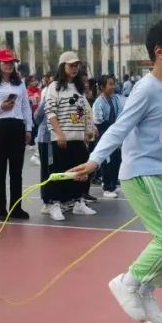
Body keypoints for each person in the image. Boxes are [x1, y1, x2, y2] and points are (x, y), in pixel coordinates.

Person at [67, 19, 162, 323]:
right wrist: (96, 160)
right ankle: (127, 281)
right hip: (141, 173)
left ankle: (146, 289)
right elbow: (119, 128)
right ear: (160, 52)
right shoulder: (145, 89)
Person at [42, 51, 96, 221]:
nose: (75, 68)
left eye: (76, 65)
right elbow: (50, 111)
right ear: (62, 66)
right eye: (71, 65)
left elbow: (86, 111)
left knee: (80, 172)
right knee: (57, 172)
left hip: (78, 139)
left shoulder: (79, 88)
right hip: (61, 139)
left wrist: (89, 129)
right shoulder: (54, 86)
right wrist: (59, 134)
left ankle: (79, 201)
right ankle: (54, 204)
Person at [0, 48, 33, 220]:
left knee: (16, 171)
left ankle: (16, 208)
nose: (9, 65)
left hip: (17, 126)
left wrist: (28, 129)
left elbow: (25, 106)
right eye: (6, 62)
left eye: (12, 63)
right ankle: (1, 209)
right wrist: (0, 107)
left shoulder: (19, 83)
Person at [92, 75, 123, 198]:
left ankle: (114, 184)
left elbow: (121, 113)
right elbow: (98, 120)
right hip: (104, 133)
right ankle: (106, 187)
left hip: (115, 133)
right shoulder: (98, 102)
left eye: (113, 84)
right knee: (107, 161)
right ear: (102, 87)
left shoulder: (115, 99)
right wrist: (111, 126)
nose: (113, 86)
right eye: (110, 84)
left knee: (116, 160)